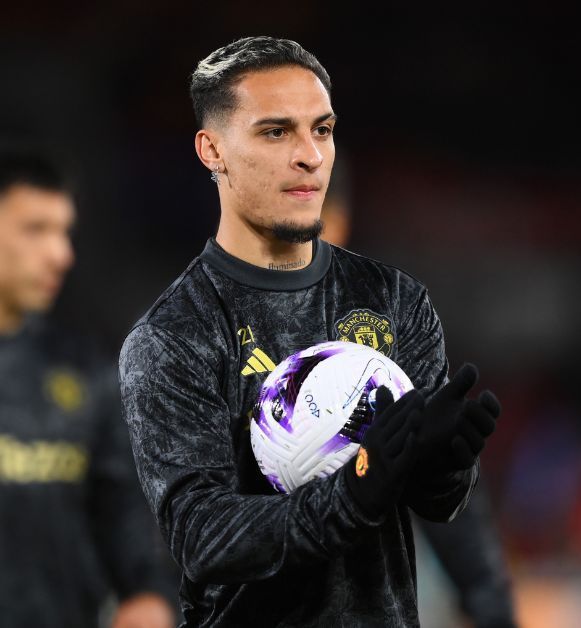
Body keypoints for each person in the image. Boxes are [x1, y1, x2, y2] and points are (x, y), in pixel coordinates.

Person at [118, 37, 501, 627]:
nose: (311, 155)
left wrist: (445, 468)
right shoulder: (174, 336)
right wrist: (354, 491)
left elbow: (437, 506)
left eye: (321, 130)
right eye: (276, 132)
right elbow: (204, 538)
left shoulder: (396, 300)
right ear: (211, 149)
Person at [321, 174, 518, 628]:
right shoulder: (192, 332)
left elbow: (434, 467)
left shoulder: (381, 338)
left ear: (340, 221)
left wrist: (489, 601)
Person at [0, 153, 175, 627]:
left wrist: (149, 597)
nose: (61, 255)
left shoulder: (87, 374)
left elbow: (126, 530)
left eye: (64, 232)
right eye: (36, 229)